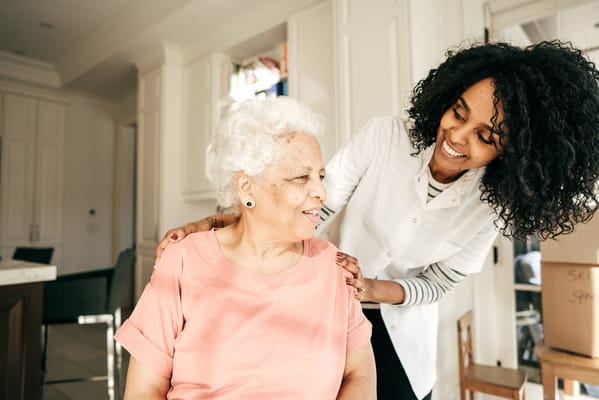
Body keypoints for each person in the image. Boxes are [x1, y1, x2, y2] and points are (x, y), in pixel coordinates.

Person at [156, 40, 599, 400]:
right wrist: (231, 221)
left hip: (401, 327)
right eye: (458, 112)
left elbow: (440, 283)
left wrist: (371, 289)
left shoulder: (490, 206)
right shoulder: (385, 137)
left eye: (485, 136)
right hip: (324, 301)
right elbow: (317, 205)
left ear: (514, 151)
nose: (457, 137)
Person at [116, 97, 376, 399]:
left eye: (320, 177)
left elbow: (360, 373)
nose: (321, 192)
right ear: (247, 188)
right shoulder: (184, 259)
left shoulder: (333, 266)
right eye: (301, 178)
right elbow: (144, 389)